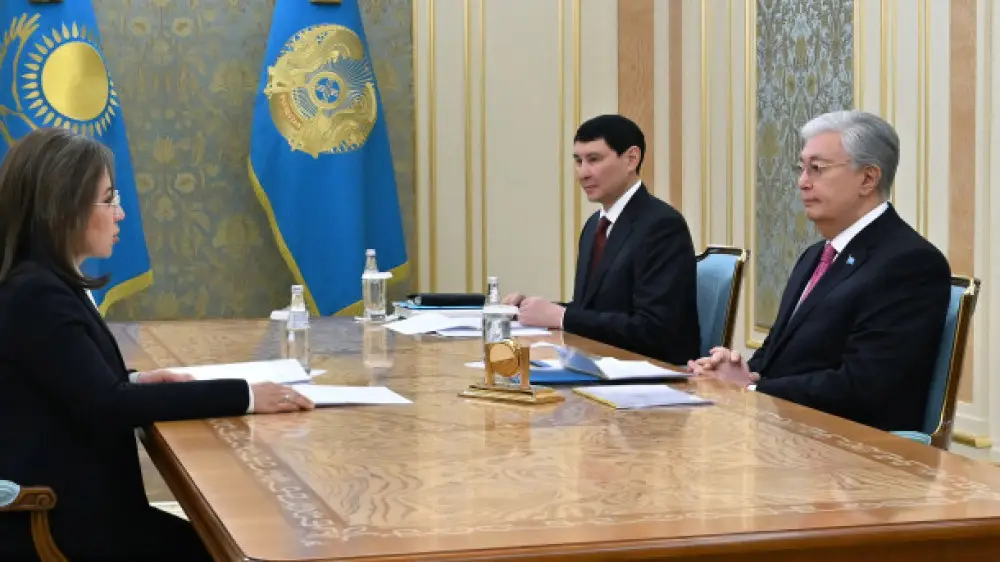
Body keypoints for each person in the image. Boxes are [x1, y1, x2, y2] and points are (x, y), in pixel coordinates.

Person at [0, 128, 315, 561]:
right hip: (60, 522)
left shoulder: (42, 283)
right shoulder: (36, 294)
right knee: (242, 548)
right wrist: (245, 396)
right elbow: (106, 406)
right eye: (109, 199)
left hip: (84, 507)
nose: (120, 213)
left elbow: (68, 382)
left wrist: (133, 381)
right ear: (63, 207)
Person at [688, 110, 950, 432]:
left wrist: (752, 388)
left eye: (817, 168)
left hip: (849, 447)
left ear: (868, 179)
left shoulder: (910, 263)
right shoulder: (815, 255)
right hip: (784, 428)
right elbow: (776, 353)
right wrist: (739, 371)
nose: (802, 182)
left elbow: (864, 386)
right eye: (801, 168)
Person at [505, 114, 700, 365]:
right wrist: (532, 310)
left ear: (631, 159)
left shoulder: (662, 226)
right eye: (578, 161)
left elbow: (655, 330)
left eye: (594, 159)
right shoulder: (594, 225)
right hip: (598, 364)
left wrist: (561, 316)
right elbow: (594, 311)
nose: (582, 173)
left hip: (651, 373)